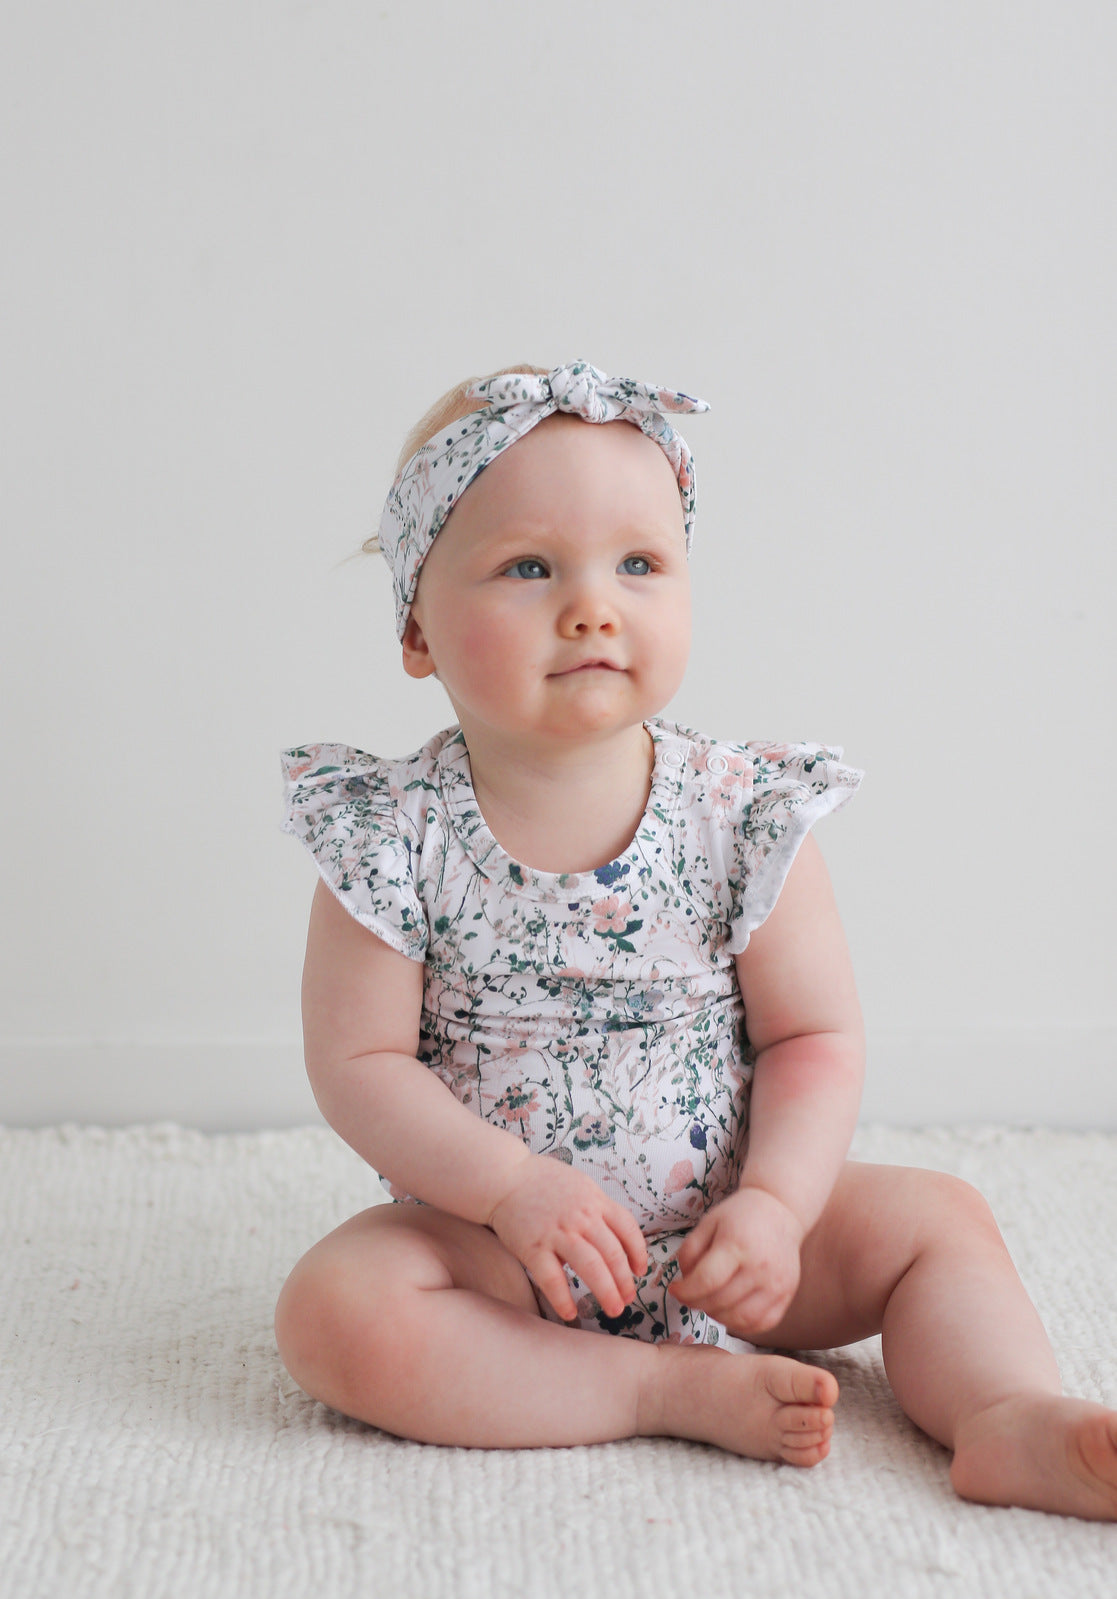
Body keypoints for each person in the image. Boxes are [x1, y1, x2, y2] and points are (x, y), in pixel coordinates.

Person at [275, 360, 1117, 1518]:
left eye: (638, 563)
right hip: (506, 1253)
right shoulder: (389, 835)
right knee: (336, 1309)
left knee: (939, 1221)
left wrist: (775, 1203)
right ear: (416, 627)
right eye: (529, 567)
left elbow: (812, 1035)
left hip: (737, 1232)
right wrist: (513, 1190)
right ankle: (646, 1391)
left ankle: (1004, 1417)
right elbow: (359, 1065)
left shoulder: (740, 811)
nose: (591, 603)